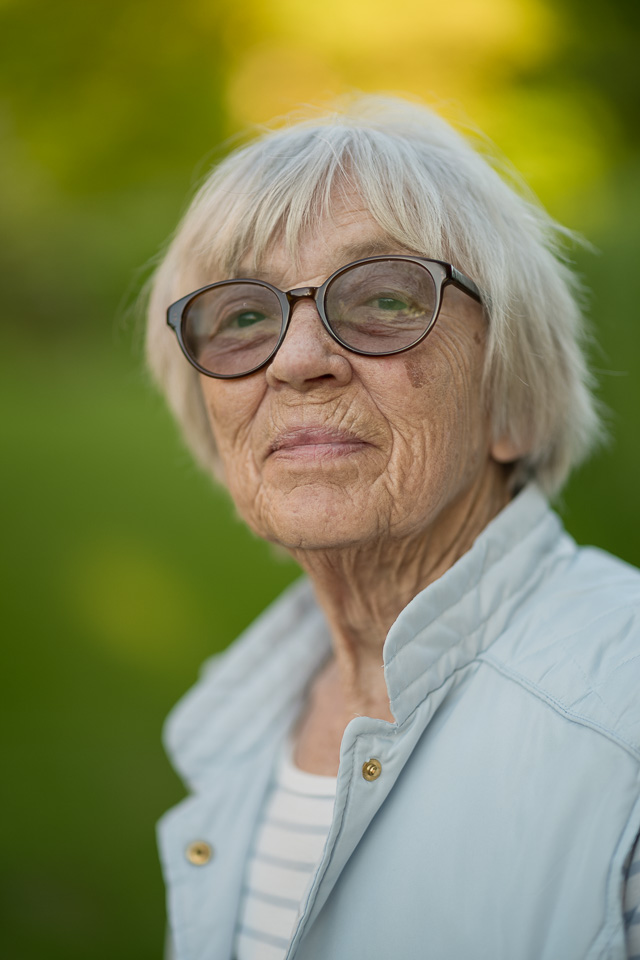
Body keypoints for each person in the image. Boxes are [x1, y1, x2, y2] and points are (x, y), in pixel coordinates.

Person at [145, 96, 640, 960]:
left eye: (382, 299)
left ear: (511, 400)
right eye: (246, 317)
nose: (297, 360)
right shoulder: (239, 720)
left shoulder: (622, 722)